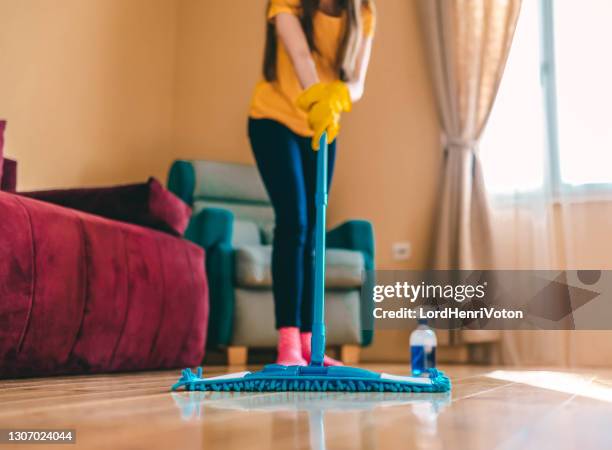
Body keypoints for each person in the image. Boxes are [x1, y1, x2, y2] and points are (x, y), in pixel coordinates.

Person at [248, 0, 376, 366]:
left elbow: (358, 83)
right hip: (273, 120)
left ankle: (308, 343)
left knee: (316, 230)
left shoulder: (363, 12)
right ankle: (288, 342)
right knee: (295, 222)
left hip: (323, 126)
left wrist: (338, 97)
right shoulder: (288, 3)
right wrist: (318, 95)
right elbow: (300, 55)